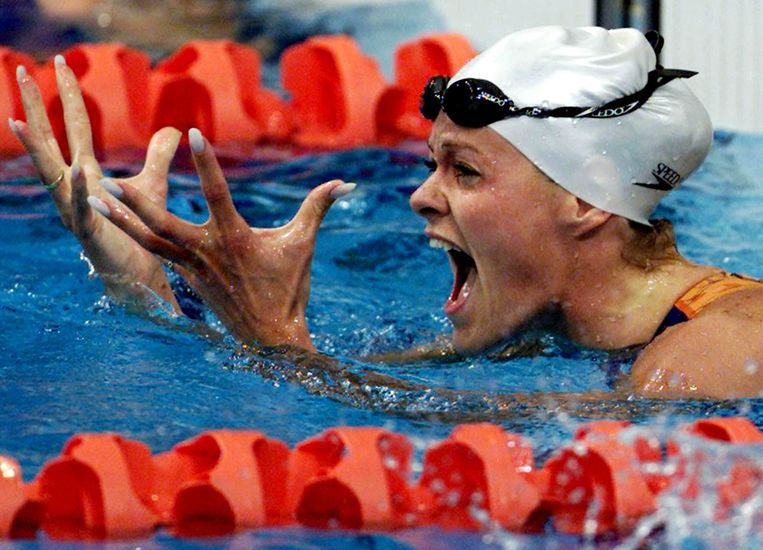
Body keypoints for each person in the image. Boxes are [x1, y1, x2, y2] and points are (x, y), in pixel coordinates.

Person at [10, 26, 763, 400]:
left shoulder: (712, 354)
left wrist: (280, 346)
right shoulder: (537, 326)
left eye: (461, 171)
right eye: (430, 163)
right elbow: (367, 380)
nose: (420, 195)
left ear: (583, 199)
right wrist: (142, 281)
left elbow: (470, 429)